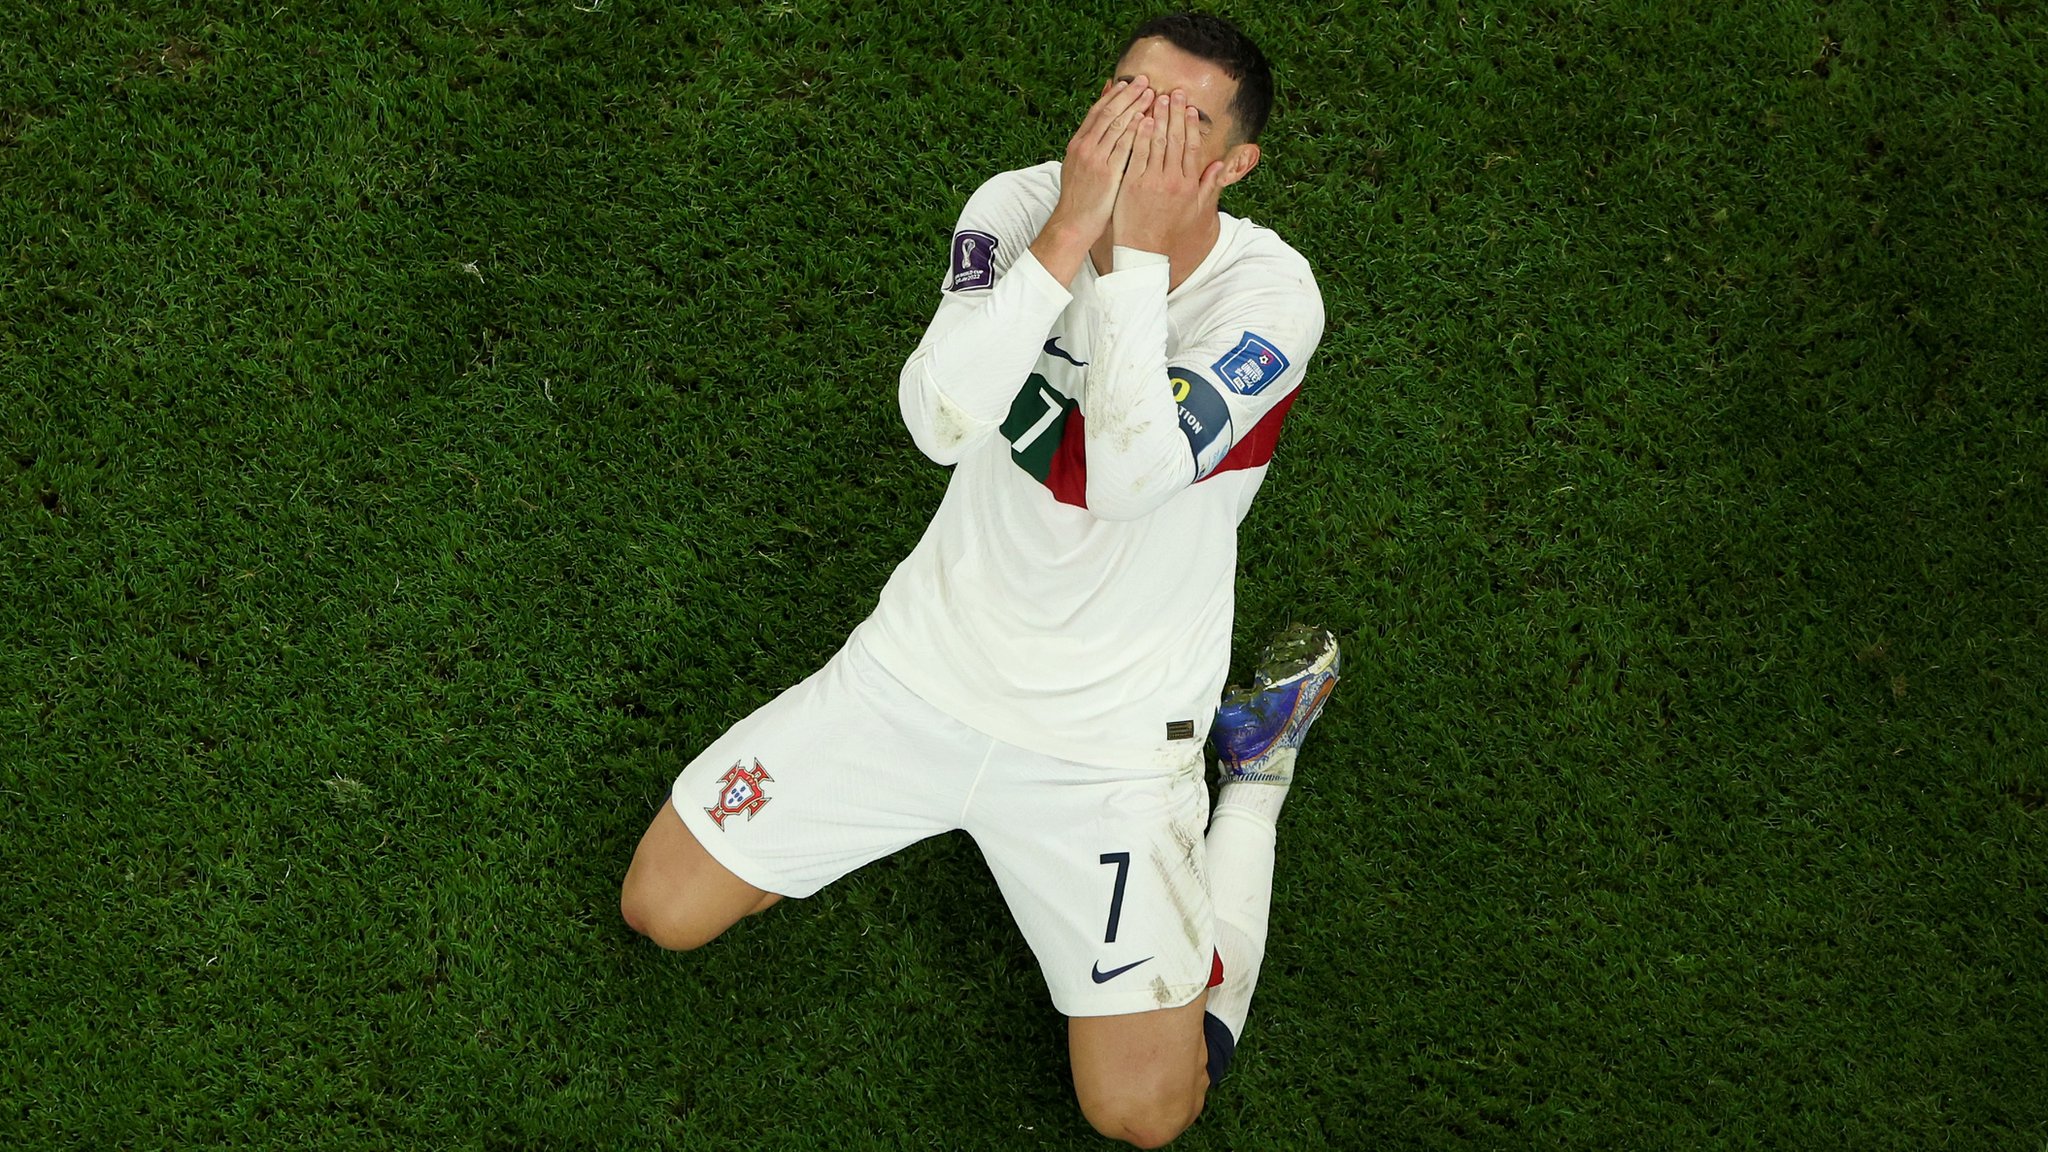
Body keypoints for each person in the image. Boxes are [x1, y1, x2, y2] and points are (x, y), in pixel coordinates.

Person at [620, 11, 1337, 1147]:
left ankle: (1248, 781)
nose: (1139, 127)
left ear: (1232, 164)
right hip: (918, 673)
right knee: (662, 908)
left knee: (1144, 1113)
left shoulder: (1269, 297)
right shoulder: (1016, 204)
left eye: (1180, 118)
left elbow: (1126, 477)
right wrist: (1066, 235)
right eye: (1124, 92)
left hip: (1108, 746)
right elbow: (935, 420)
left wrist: (1135, 259)